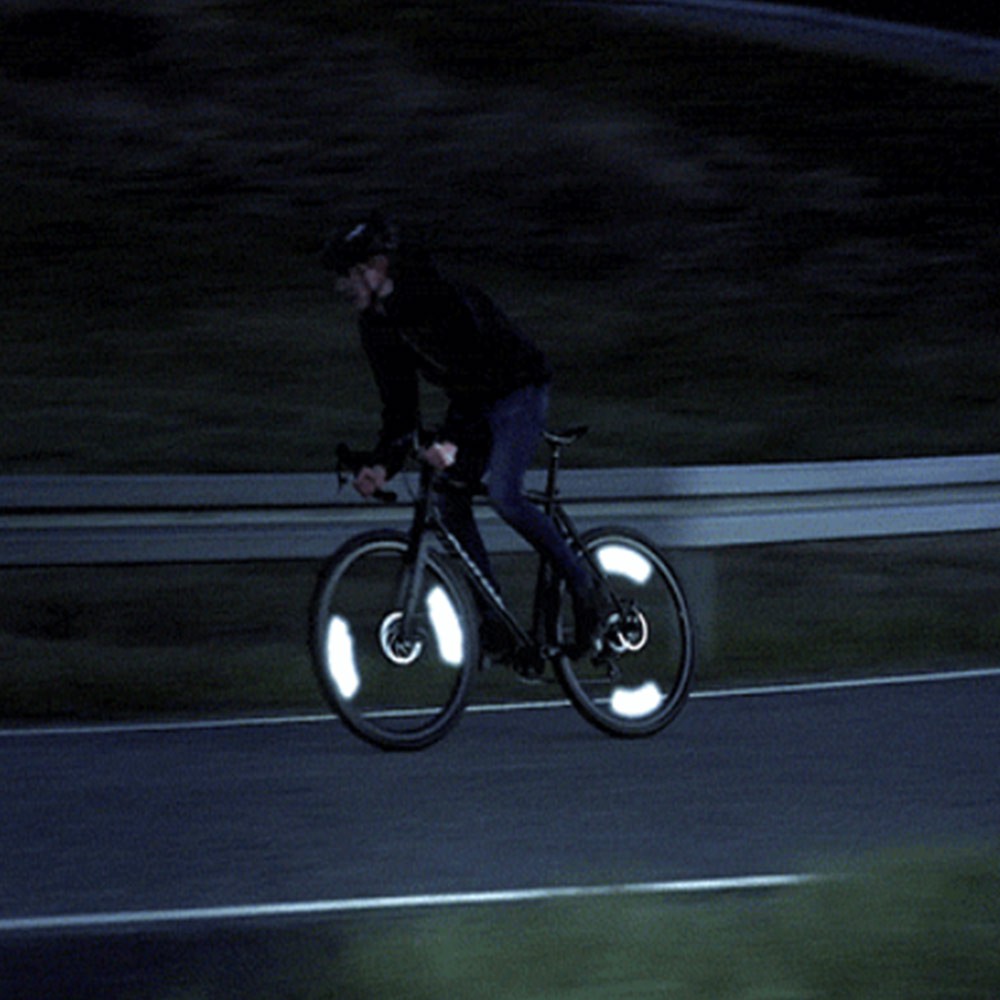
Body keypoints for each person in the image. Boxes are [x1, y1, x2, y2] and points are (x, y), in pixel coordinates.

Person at [322, 211, 602, 658]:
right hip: (474, 399)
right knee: (449, 499)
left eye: (350, 275)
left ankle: (585, 588)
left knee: (505, 495)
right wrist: (381, 464)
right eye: (340, 278)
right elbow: (400, 406)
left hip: (517, 386)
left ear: (376, 269)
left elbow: (481, 365)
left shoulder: (432, 293)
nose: (344, 287)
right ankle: (494, 624)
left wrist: (452, 437)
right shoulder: (375, 325)